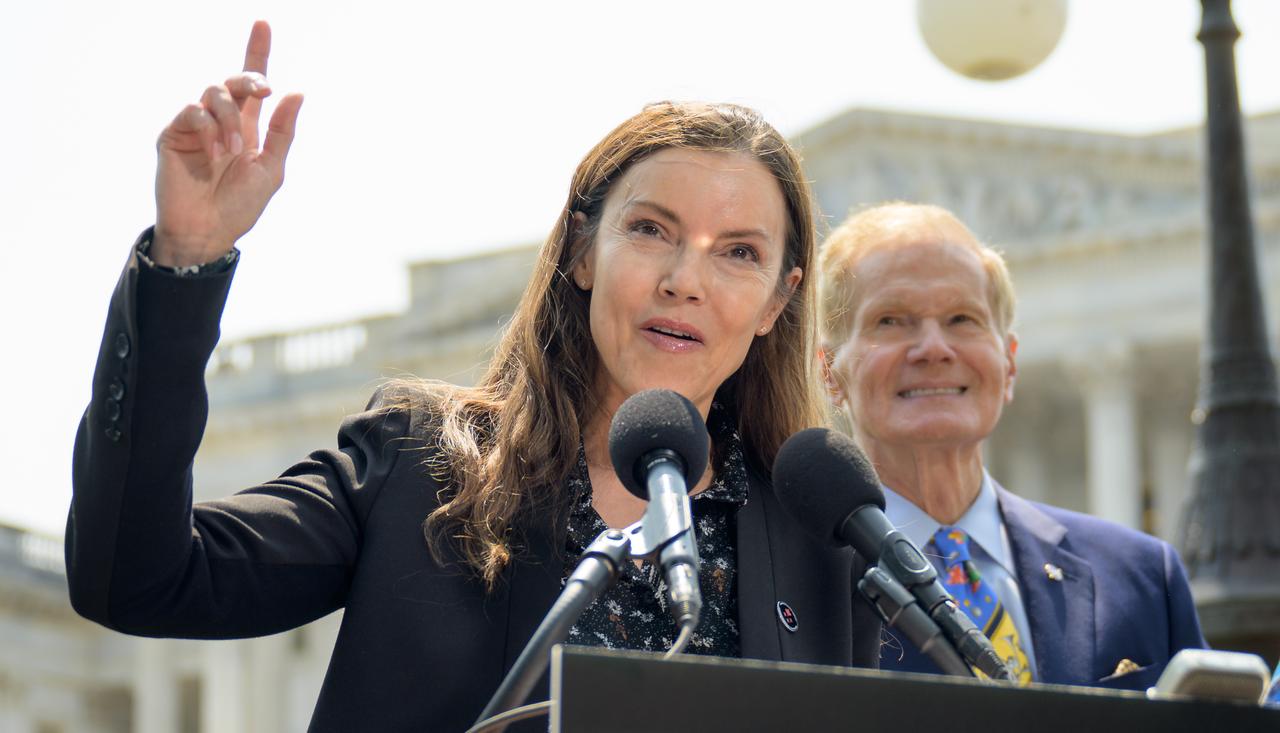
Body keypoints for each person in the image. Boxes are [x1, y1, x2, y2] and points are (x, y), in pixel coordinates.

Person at [66, 21, 881, 732]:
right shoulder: (420, 465)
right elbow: (137, 579)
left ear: (780, 299)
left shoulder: (821, 544)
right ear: (579, 253)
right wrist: (185, 263)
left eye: (740, 252)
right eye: (650, 228)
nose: (685, 279)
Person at [816, 201, 1206, 690]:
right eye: (892, 321)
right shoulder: (787, 581)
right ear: (830, 373)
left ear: (1010, 365)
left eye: (962, 319)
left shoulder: (1144, 576)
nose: (934, 347)